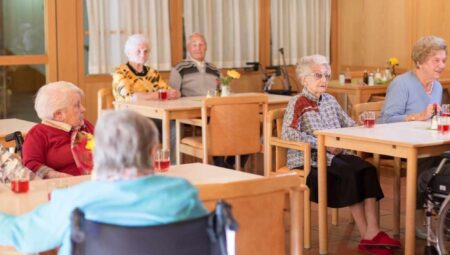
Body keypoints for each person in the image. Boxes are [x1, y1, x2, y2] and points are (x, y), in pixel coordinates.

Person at [0, 110, 207, 255]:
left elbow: (22, 236)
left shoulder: (74, 201)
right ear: (153, 152)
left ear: (94, 153)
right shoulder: (184, 195)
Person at [281, 55, 400, 254]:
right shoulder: (297, 102)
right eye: (318, 75)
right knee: (350, 173)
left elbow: (348, 125)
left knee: (367, 169)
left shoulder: (330, 100)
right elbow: (288, 133)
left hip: (336, 156)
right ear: (304, 80)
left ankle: (373, 230)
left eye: (327, 75)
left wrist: (360, 124)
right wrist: (321, 143)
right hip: (310, 159)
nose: (324, 80)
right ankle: (367, 236)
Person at [377, 35, 448, 239]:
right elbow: (385, 120)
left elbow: (433, 118)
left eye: (444, 60)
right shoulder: (402, 84)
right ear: (419, 61)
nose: (442, 65)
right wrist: (417, 116)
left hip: (427, 142)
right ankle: (418, 220)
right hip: (400, 145)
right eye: (436, 60)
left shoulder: (437, 86)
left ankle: (444, 215)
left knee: (445, 161)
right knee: (428, 163)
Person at [169, 32, 247, 169]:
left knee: (247, 121)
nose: (198, 48)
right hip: (193, 112)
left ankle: (231, 162)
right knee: (217, 121)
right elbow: (172, 94)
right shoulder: (179, 68)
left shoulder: (214, 69)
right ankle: (220, 164)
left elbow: (224, 89)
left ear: (206, 47)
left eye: (201, 44)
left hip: (216, 108)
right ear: (188, 48)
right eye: (194, 45)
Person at [22, 81, 94, 178]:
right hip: (64, 187)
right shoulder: (38, 134)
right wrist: (57, 176)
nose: (83, 109)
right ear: (58, 115)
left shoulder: (85, 125)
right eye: (77, 105)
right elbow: (31, 165)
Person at [112, 34, 180, 102]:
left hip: (153, 110)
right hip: (129, 111)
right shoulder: (120, 72)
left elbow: (167, 90)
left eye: (146, 51)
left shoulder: (153, 73)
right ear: (129, 52)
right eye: (138, 51)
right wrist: (156, 95)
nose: (143, 55)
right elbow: (128, 97)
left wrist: (175, 94)